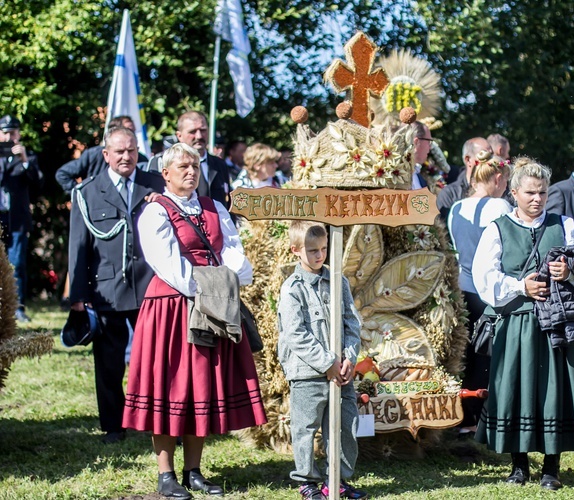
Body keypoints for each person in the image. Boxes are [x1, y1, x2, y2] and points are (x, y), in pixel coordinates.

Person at [122, 143, 267, 499]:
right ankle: (165, 474)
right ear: (166, 173)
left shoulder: (214, 206)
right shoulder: (155, 212)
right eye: (183, 167)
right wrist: (212, 284)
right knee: (171, 388)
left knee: (200, 386)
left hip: (213, 302)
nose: (191, 172)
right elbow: (170, 266)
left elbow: (235, 255)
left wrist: (227, 280)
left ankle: (194, 471)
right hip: (173, 307)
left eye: (196, 166)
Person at [472, 157, 574, 490]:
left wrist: (569, 271)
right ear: (514, 192)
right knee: (517, 390)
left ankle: (551, 469)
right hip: (516, 324)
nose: (537, 199)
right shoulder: (498, 228)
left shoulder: (564, 225)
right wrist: (521, 286)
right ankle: (518, 466)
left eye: (542, 193)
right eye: (530, 193)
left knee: (554, 392)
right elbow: (484, 279)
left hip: (558, 324)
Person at [68, 126, 165, 443]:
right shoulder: (87, 192)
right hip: (106, 290)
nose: (126, 157)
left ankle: (159, 420)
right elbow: (78, 248)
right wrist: (79, 297)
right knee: (109, 364)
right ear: (105, 155)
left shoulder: (155, 185)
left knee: (156, 360)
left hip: (150, 287)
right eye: (120, 152)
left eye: (132, 151)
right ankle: (113, 425)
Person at [277, 221, 367, 500]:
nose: (320, 255)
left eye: (324, 249)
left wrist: (349, 358)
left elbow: (351, 322)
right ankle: (306, 481)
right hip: (307, 372)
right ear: (296, 250)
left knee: (345, 426)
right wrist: (326, 362)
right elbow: (295, 334)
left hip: (340, 371)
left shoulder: (338, 282)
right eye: (313, 250)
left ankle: (337, 479)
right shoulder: (292, 288)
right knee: (305, 428)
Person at [446, 150, 512, 436]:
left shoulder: (455, 208)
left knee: (466, 353)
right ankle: (481, 417)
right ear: (498, 178)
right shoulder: (501, 207)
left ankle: (463, 416)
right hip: (488, 288)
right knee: (487, 354)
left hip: (461, 288)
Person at [0, 115, 43, 323]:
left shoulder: (28, 158)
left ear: (19, 134)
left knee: (16, 264)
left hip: (17, 220)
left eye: (13, 133)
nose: (9, 137)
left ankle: (17, 307)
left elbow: (37, 184)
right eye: (5, 132)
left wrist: (24, 160)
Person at [148, 111, 231, 209]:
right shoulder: (160, 162)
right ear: (179, 136)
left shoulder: (219, 164)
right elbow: (153, 196)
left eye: (203, 130)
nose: (199, 136)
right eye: (192, 132)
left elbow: (228, 202)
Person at [55, 116, 149, 194]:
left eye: (133, 131)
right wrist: (81, 195)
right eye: (128, 130)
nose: (126, 157)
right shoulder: (93, 155)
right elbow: (63, 174)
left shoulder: (141, 159)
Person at [436, 137, 491, 221]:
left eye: (492, 156)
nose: (491, 161)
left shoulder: (500, 188)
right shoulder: (450, 194)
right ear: (468, 160)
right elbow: (443, 229)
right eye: (484, 156)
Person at [410, 121, 431, 189]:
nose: (430, 147)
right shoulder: (395, 176)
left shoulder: (418, 176)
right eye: (428, 141)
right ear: (416, 142)